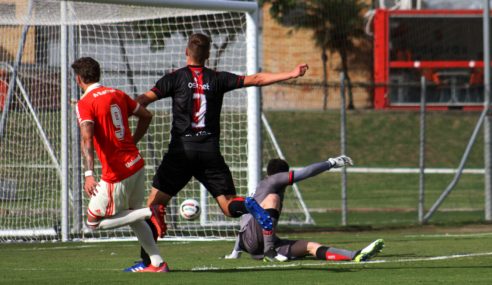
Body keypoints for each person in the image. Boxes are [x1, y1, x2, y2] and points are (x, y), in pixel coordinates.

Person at [126, 33, 309, 271]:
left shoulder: (173, 78)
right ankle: (250, 205)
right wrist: (291, 73)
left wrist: (116, 111)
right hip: (210, 152)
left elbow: (142, 101)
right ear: (208, 55)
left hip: (181, 151)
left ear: (186, 52)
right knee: (229, 205)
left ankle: (150, 263)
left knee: (153, 205)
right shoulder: (218, 79)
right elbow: (256, 79)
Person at [73, 57, 168, 272]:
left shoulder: (85, 103)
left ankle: (150, 212)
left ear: (79, 79)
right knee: (132, 215)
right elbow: (146, 115)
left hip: (117, 172)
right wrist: (132, 141)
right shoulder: (117, 93)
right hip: (136, 163)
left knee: (92, 223)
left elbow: (87, 138)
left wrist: (89, 173)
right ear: (98, 75)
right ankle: (157, 263)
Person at [223, 156, 384, 262]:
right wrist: (331, 163)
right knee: (274, 199)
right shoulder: (273, 181)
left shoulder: (259, 190)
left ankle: (355, 255)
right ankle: (269, 251)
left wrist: (235, 252)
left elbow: (245, 222)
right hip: (259, 243)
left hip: (253, 246)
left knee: (310, 246)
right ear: (282, 174)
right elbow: (306, 173)